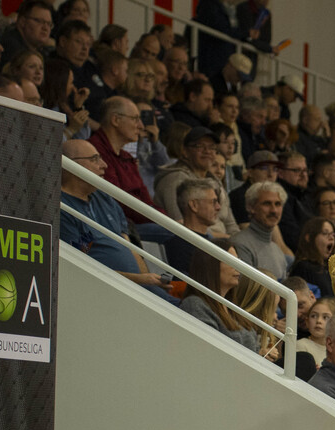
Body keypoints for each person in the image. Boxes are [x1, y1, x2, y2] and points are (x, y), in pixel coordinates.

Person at [59, 139, 174, 302]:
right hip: (108, 293)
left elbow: (130, 249)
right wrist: (140, 280)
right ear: (71, 165)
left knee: (191, 306)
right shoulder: (62, 208)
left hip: (140, 289)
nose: (104, 165)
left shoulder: (105, 198)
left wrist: (147, 282)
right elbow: (80, 269)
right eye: (94, 159)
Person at [90, 96, 164, 225]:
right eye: (135, 119)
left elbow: (146, 199)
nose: (141, 126)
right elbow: (119, 202)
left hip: (142, 221)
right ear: (115, 120)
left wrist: (163, 217)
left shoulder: (127, 157)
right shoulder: (94, 152)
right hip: (121, 226)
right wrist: (162, 220)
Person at [154, 126, 238, 236]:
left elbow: (231, 224)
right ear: (185, 151)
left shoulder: (215, 181)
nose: (207, 151)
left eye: (212, 147)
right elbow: (181, 226)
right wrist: (225, 239)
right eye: (200, 146)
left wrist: (237, 241)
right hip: (197, 242)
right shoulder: (175, 179)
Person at [180, 242, 260, 351]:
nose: (238, 266)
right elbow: (209, 351)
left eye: (238, 260)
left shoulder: (232, 308)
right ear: (211, 265)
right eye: (231, 260)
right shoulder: (194, 304)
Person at [229, 181, 289, 276]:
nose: (274, 210)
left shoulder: (277, 250)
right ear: (250, 207)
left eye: (277, 204)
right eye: (267, 204)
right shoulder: (240, 244)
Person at [164, 179, 222, 272]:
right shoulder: (178, 248)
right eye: (213, 202)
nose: (218, 207)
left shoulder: (212, 243)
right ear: (194, 205)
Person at [288, 216, 335, 299]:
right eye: (325, 233)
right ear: (309, 238)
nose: (331, 238)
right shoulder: (303, 267)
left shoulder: (329, 268)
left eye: (333, 234)